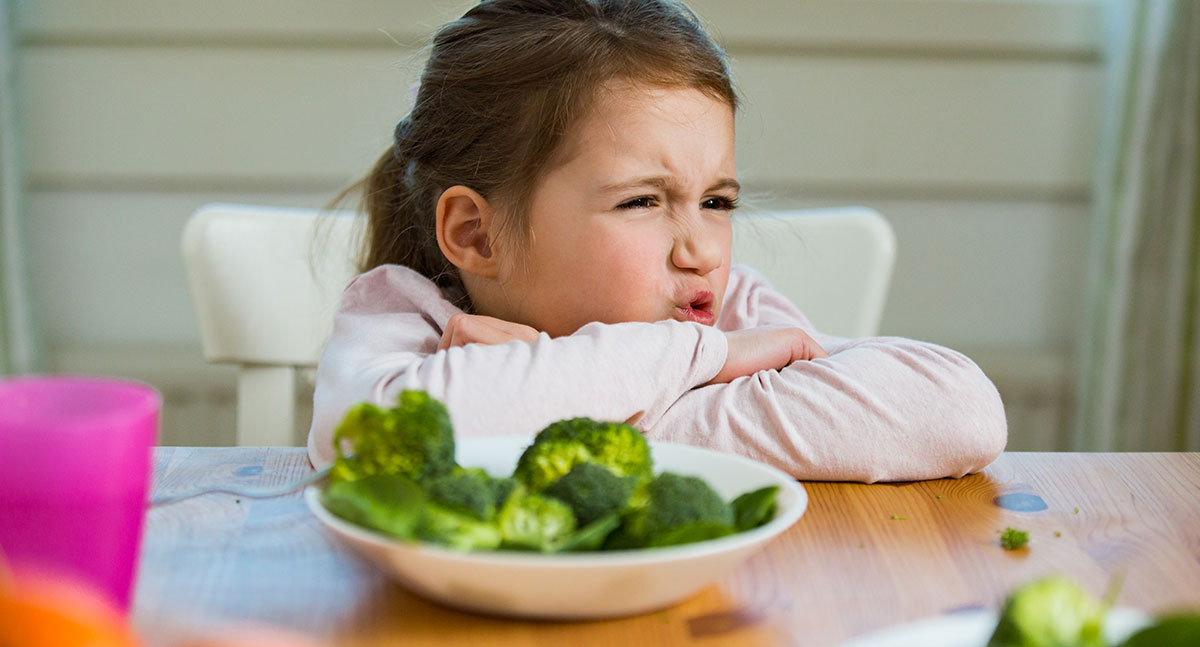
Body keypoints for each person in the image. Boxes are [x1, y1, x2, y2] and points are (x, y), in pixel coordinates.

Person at [308, 0, 1007, 482]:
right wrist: (706, 361)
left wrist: (554, 406)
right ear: (477, 234)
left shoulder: (729, 308)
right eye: (643, 200)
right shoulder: (404, 315)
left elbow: (959, 412)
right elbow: (363, 442)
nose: (700, 249)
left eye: (717, 201)